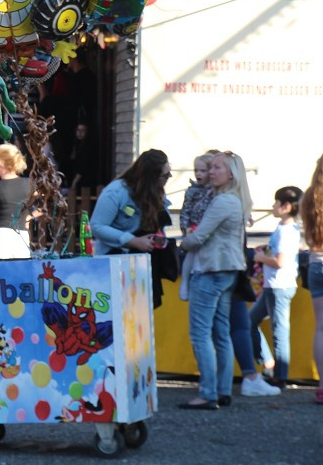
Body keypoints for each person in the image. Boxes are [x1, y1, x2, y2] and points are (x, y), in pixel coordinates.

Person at [179, 152, 249, 410]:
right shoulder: (235, 200)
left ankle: (208, 393)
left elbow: (198, 238)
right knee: (221, 332)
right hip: (227, 271)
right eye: (211, 167)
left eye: (217, 168)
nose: (211, 172)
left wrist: (181, 243)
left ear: (231, 174)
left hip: (211, 270)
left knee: (200, 333)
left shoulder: (222, 202)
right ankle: (221, 390)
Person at [91, 149, 173, 306]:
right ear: (150, 177)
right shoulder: (116, 191)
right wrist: (133, 241)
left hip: (145, 266)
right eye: (165, 175)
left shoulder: (158, 192)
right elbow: (97, 226)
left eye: (169, 173)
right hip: (117, 265)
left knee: (143, 318)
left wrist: (158, 237)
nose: (169, 178)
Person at [248, 186, 304, 393]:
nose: (272, 206)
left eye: (276, 202)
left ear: (286, 206)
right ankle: (269, 363)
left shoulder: (287, 231)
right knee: (250, 322)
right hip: (274, 285)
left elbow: (280, 262)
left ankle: (280, 376)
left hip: (279, 285)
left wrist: (261, 258)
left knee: (279, 331)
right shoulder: (286, 229)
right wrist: (266, 250)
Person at [299, 154, 323, 405]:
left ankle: (321, 388)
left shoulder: (308, 197)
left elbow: (306, 236)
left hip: (316, 264)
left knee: (321, 329)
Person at [179, 151, 218, 300]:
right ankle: (185, 282)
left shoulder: (216, 191)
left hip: (209, 230)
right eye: (196, 170)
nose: (198, 174)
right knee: (191, 254)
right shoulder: (192, 190)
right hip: (194, 227)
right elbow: (185, 210)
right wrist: (185, 228)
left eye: (203, 170)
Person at [0, 143, 33, 259]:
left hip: (2, 233)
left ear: (0, 163)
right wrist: (29, 217)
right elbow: (46, 203)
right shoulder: (29, 184)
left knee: (5, 272)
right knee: (22, 270)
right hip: (22, 232)